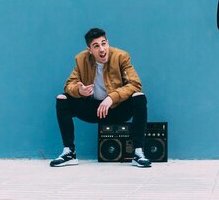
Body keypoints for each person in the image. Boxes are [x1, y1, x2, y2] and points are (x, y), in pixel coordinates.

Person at [50, 28, 151, 167]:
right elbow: (69, 85)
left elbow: (135, 84)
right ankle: (69, 152)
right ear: (89, 49)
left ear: (108, 42)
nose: (102, 49)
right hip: (93, 110)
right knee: (62, 98)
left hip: (117, 109)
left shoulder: (121, 56)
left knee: (139, 97)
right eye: (96, 46)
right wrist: (80, 91)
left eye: (104, 43)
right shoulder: (81, 59)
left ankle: (138, 153)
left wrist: (112, 98)